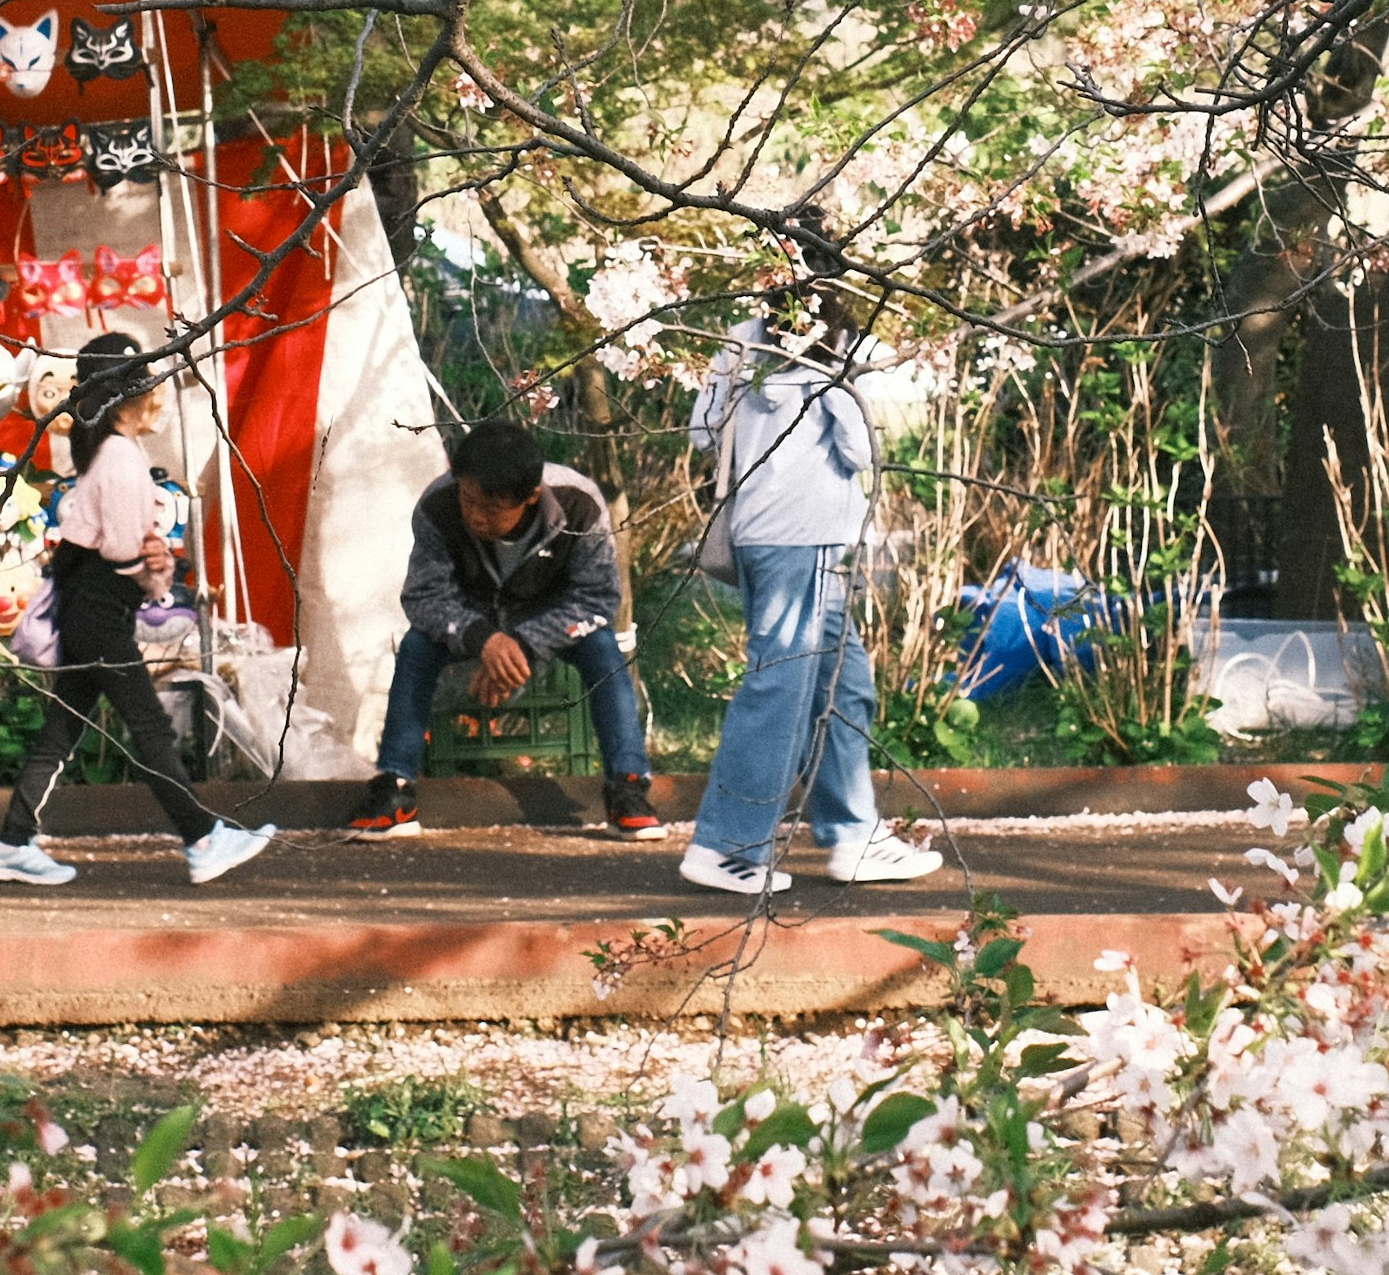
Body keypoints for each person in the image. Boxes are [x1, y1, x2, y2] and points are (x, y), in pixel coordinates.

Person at [0, 333, 276, 887]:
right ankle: (202, 838)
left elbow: (111, 544)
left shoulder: (108, 453)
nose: (156, 398)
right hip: (100, 614)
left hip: (86, 610)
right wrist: (152, 569)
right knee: (148, 727)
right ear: (129, 399)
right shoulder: (121, 457)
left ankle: (12, 843)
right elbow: (121, 550)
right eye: (148, 388)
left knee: (62, 734)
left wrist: (149, 561)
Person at [678, 292, 943, 896]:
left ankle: (855, 836)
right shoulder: (833, 350)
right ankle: (727, 844)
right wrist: (833, 376)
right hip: (806, 539)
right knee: (781, 688)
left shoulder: (741, 339)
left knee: (841, 684)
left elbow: (702, 431)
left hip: (764, 533)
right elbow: (859, 449)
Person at [348, 418, 660, 839]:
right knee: (417, 646)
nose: (475, 515)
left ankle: (628, 787)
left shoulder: (579, 504)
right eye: (468, 499)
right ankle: (395, 787)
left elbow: (597, 597)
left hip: (549, 619)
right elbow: (424, 597)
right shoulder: (438, 506)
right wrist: (483, 639)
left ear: (530, 497)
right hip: (470, 617)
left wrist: (523, 647)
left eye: (491, 508)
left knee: (602, 648)